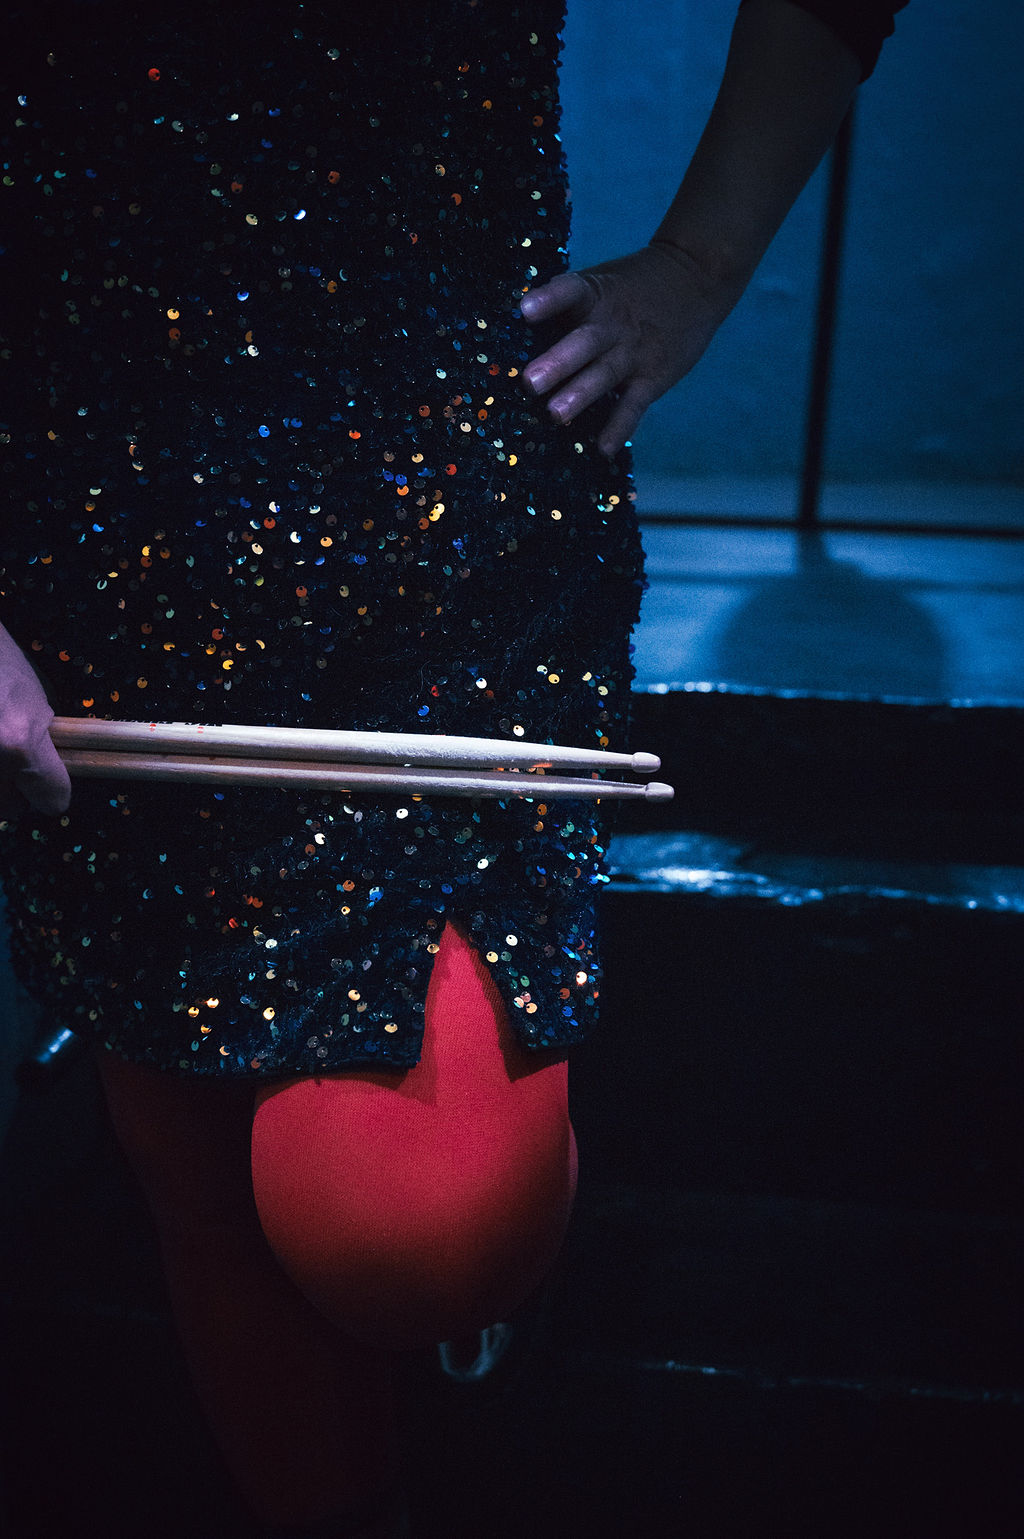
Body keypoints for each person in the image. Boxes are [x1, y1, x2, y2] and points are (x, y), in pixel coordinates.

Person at [0, 2, 904, 1533]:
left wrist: (697, 271)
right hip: (86, 510)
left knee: (416, 1218)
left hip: (449, 512)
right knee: (193, 1153)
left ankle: (461, 1329)